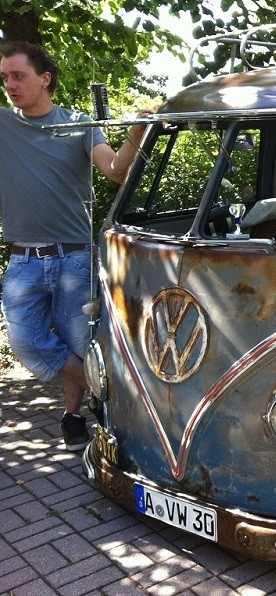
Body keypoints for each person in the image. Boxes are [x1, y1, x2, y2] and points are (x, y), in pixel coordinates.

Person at [0, 41, 148, 451]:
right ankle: (116, 397)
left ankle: (73, 415)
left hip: (74, 257)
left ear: (45, 78)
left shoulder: (79, 124)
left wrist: (137, 133)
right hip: (23, 260)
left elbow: (115, 170)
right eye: (4, 78)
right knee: (26, 342)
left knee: (78, 343)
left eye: (18, 76)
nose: (10, 85)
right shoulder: (3, 124)